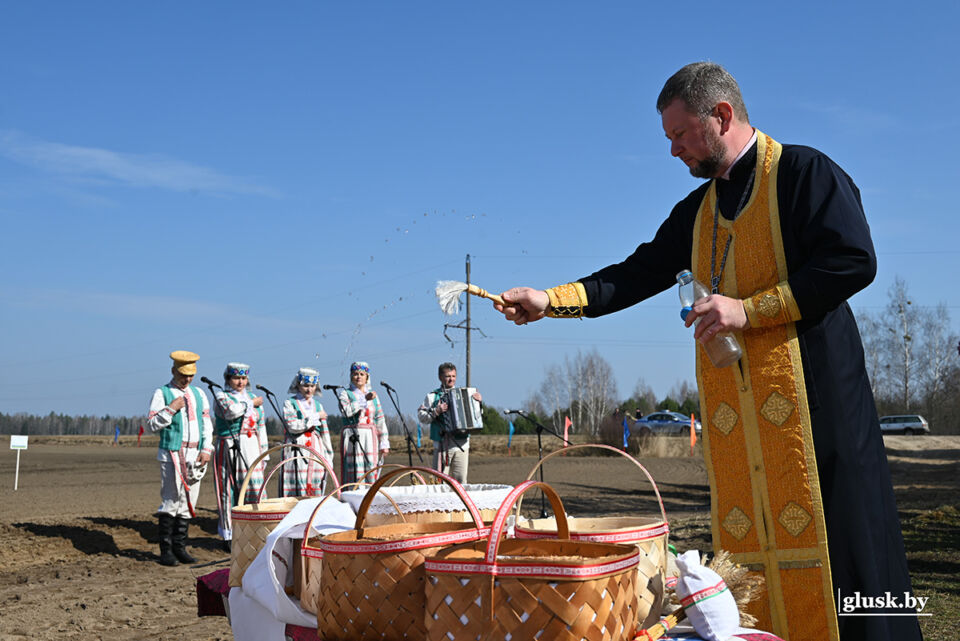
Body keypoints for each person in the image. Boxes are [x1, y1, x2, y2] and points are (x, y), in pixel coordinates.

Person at [494, 63, 919, 641]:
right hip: (742, 438)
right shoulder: (697, 211)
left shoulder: (804, 172)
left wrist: (749, 310)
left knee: (853, 557)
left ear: (721, 117)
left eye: (679, 134)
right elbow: (636, 272)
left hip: (822, 416)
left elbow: (853, 260)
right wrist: (551, 299)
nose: (672, 150)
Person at [146, 350, 213, 567]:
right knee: (171, 500)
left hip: (195, 454)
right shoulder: (162, 393)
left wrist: (207, 449)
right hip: (172, 453)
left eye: (191, 375)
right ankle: (166, 550)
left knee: (188, 501)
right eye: (183, 374)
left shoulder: (199, 394)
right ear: (174, 370)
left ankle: (180, 547)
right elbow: (152, 424)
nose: (187, 379)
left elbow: (207, 425)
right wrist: (171, 409)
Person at [210, 362, 269, 551]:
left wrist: (264, 453)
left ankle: (255, 531)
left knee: (254, 488)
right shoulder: (221, 396)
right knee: (229, 490)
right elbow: (230, 412)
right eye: (236, 378)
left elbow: (261, 427)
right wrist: (251, 403)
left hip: (252, 447)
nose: (240, 382)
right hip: (229, 446)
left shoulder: (252, 398)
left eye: (243, 378)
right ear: (228, 379)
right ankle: (230, 534)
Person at [417, 362, 482, 483]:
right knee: (439, 482)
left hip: (462, 444)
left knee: (461, 481)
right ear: (440, 377)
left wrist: (477, 403)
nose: (451, 379)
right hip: (442, 445)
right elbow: (421, 416)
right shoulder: (432, 396)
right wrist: (436, 411)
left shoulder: (466, 394)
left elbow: (477, 415)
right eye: (448, 376)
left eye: (453, 376)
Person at [280, 367, 335, 496]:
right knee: (296, 482)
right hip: (297, 447)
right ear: (298, 385)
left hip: (316, 449)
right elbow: (292, 425)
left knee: (315, 485)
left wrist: (328, 456)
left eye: (312, 386)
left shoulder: (318, 406)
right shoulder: (290, 403)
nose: (309, 389)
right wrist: (315, 417)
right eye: (305, 385)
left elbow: (324, 433)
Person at [336, 361, 389, 484]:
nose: (358, 377)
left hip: (370, 437)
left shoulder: (373, 396)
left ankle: (369, 498)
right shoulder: (346, 394)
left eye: (362, 374)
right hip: (352, 436)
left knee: (370, 468)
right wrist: (363, 400)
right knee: (355, 469)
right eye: (355, 374)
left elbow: (380, 419)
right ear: (351, 376)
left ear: (367, 377)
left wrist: (384, 442)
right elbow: (346, 411)